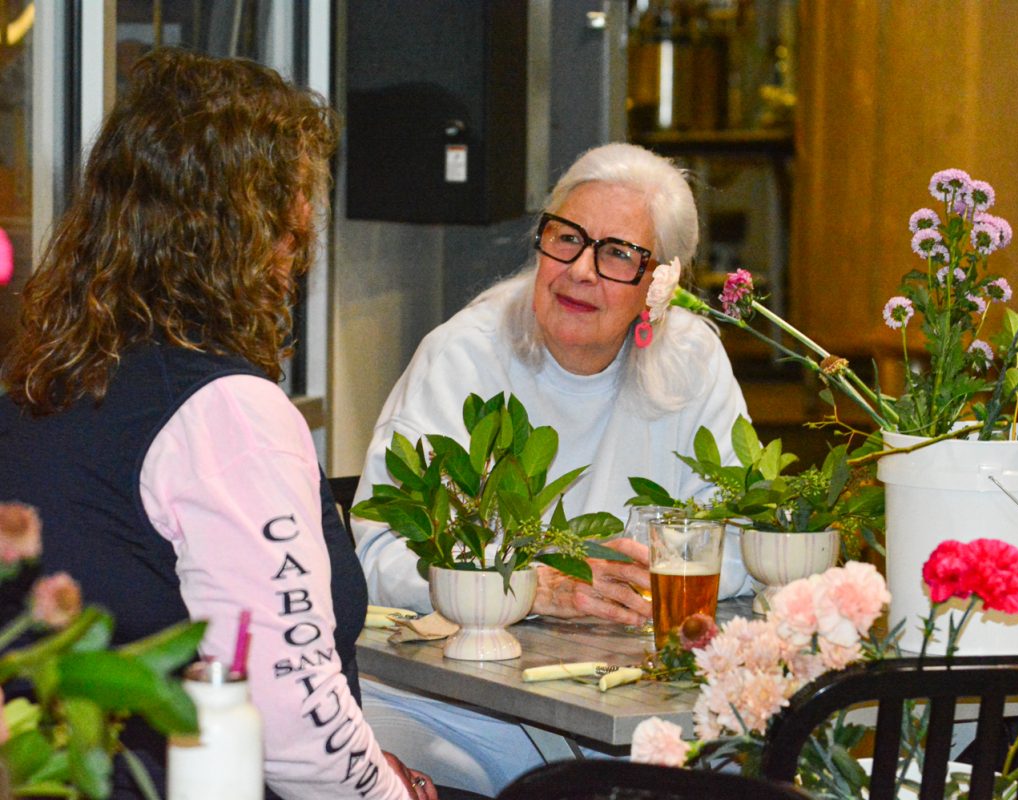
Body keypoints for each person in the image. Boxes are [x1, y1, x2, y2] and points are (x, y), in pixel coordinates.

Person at [0, 48, 455, 800]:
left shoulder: (46, 377)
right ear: (249, 226)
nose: (304, 229)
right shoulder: (227, 413)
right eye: (295, 200)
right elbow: (289, 728)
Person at [351, 142, 752, 795]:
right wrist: (529, 585)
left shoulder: (692, 360)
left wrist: (654, 569)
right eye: (566, 238)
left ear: (659, 284)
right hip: (461, 717)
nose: (581, 271)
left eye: (619, 253)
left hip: (636, 720)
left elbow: (745, 534)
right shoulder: (462, 356)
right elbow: (379, 556)